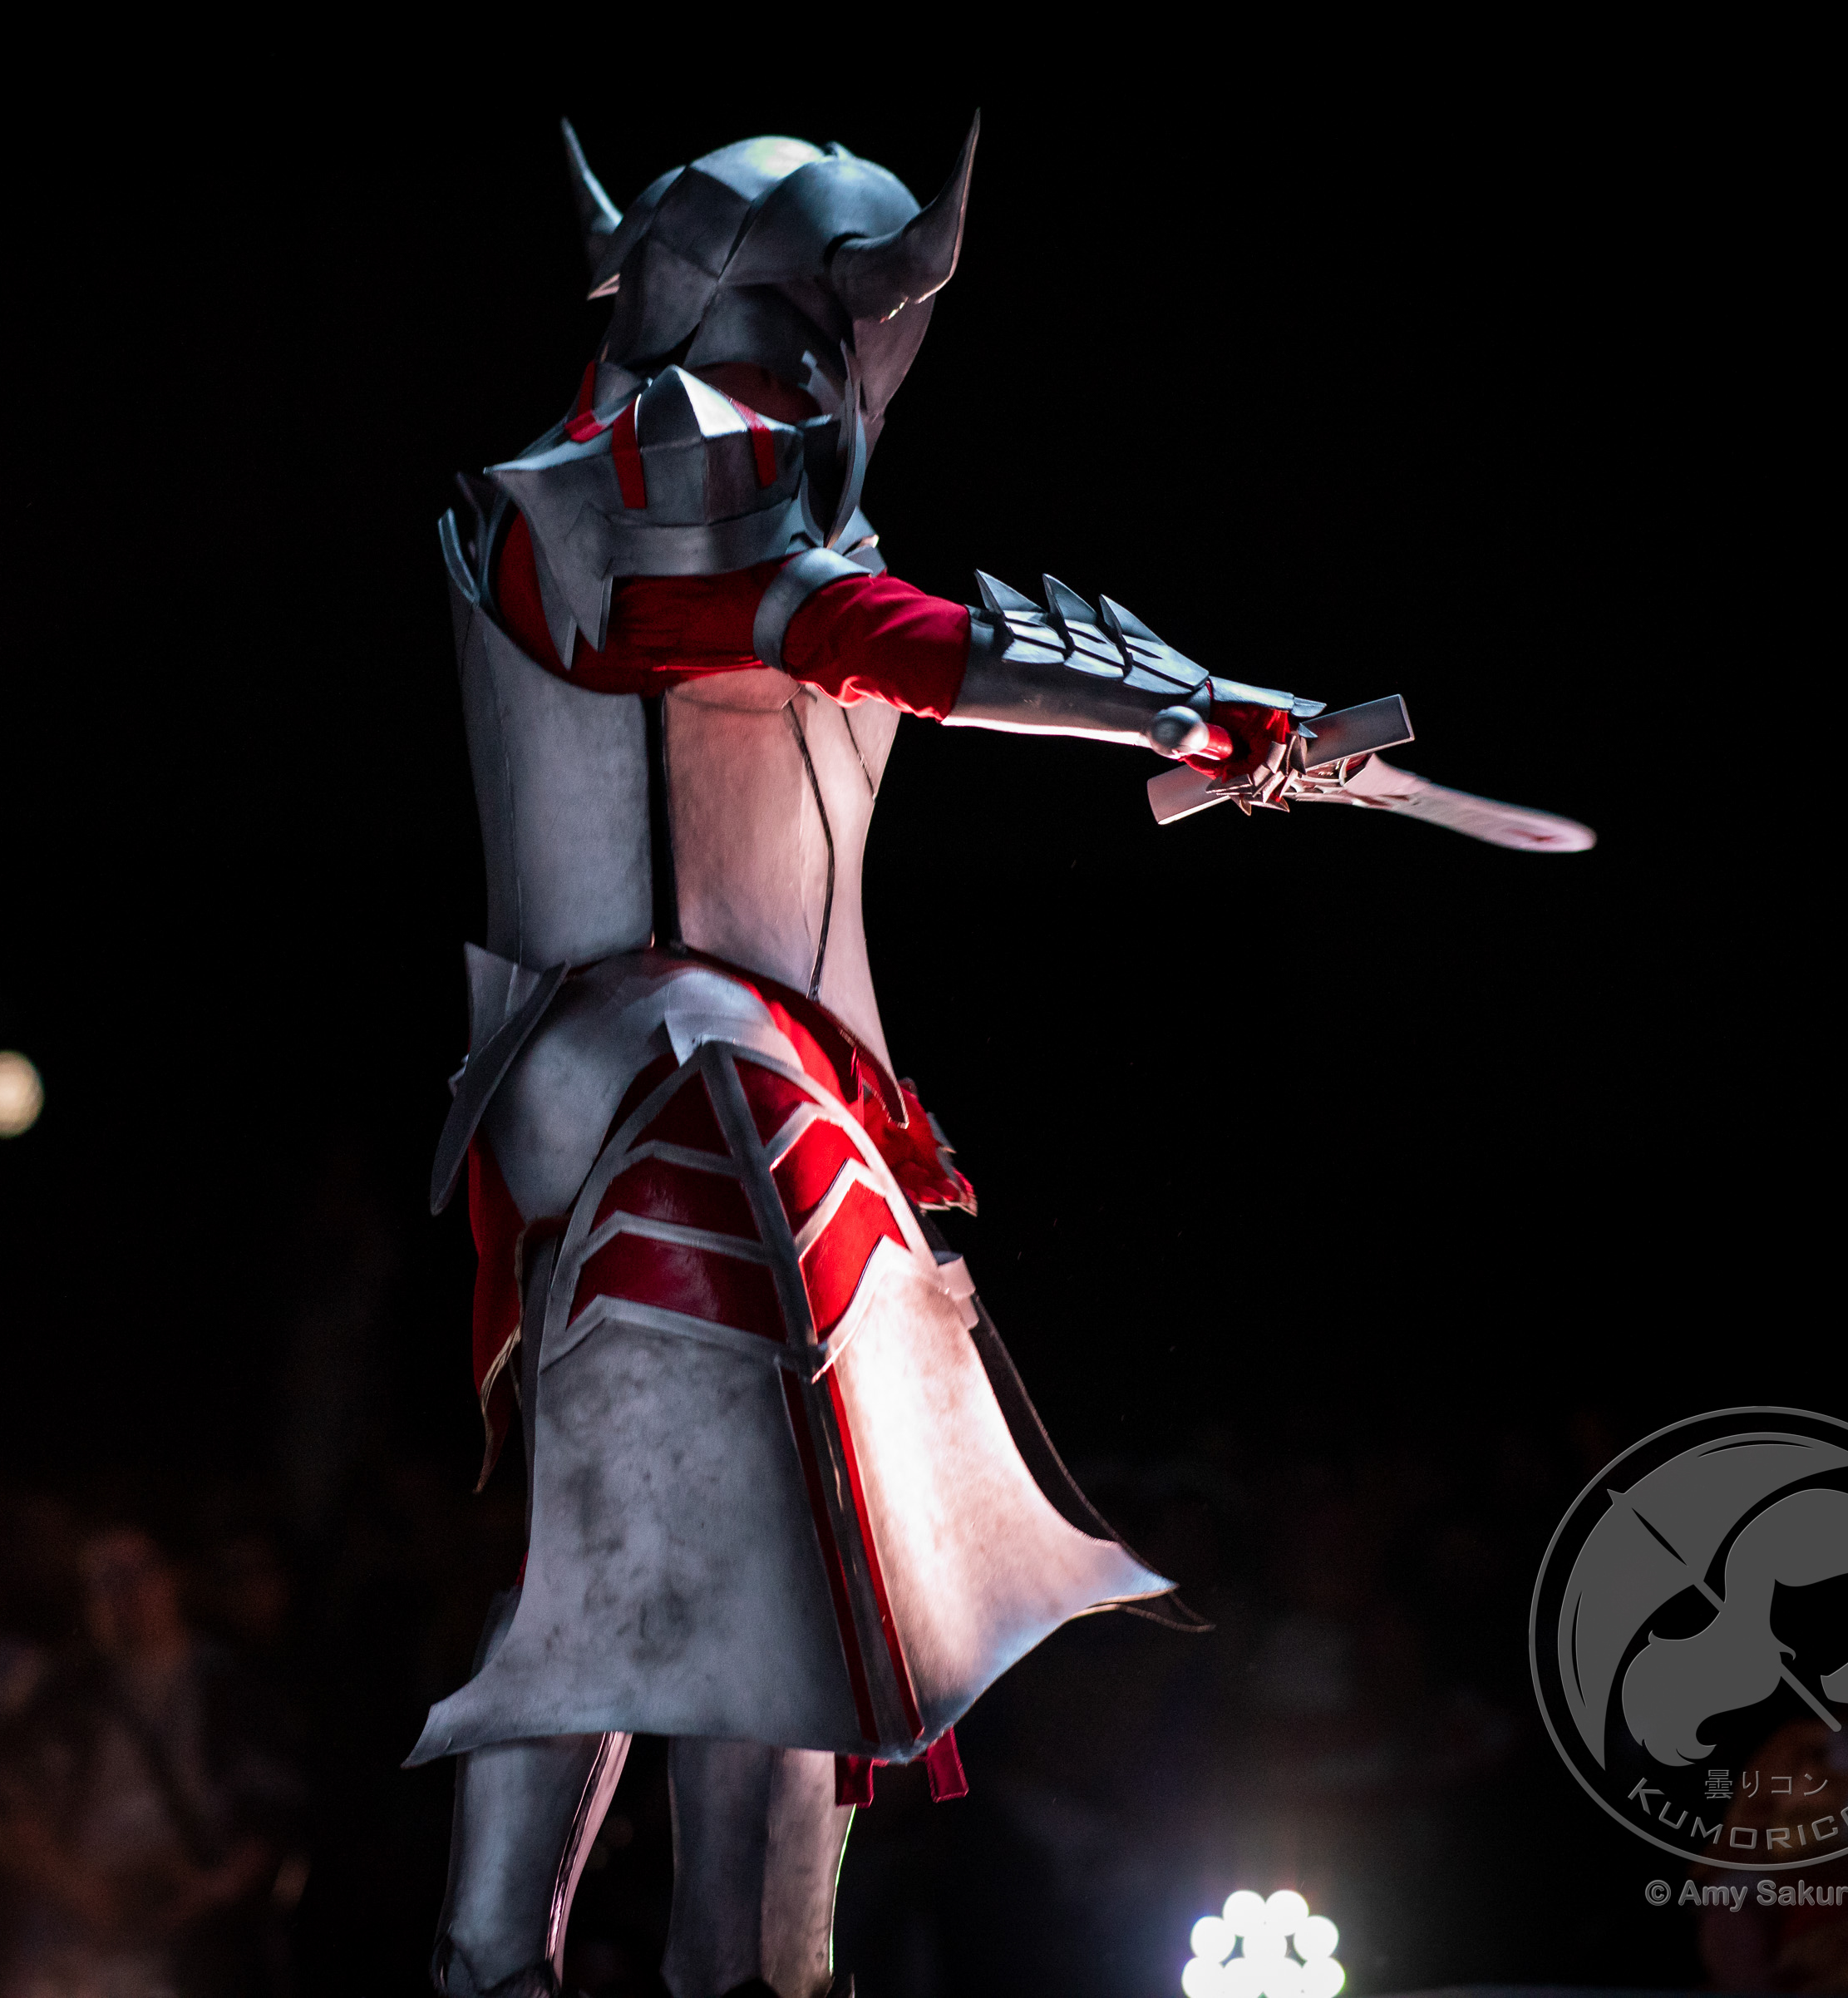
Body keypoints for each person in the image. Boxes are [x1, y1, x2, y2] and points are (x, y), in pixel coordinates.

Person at [417, 121, 1584, 1998]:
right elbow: (846, 630)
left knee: (706, 1552)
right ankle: (583, 1964)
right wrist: (1195, 712)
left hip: (682, 1066)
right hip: (686, 1071)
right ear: (842, 309)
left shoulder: (621, 484)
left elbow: (829, 631)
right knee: (736, 1570)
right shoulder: (651, 476)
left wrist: (1203, 716)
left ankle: (584, 1962)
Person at [0, 1527, 299, 1998]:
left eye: (142, 1572)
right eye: (108, 1580)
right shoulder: (60, 1693)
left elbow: (273, 1808)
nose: (130, 1592)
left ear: (173, 1579)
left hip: (198, 1941)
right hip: (78, 1940)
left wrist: (214, 1890)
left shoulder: (229, 1685)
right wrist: (88, 1892)